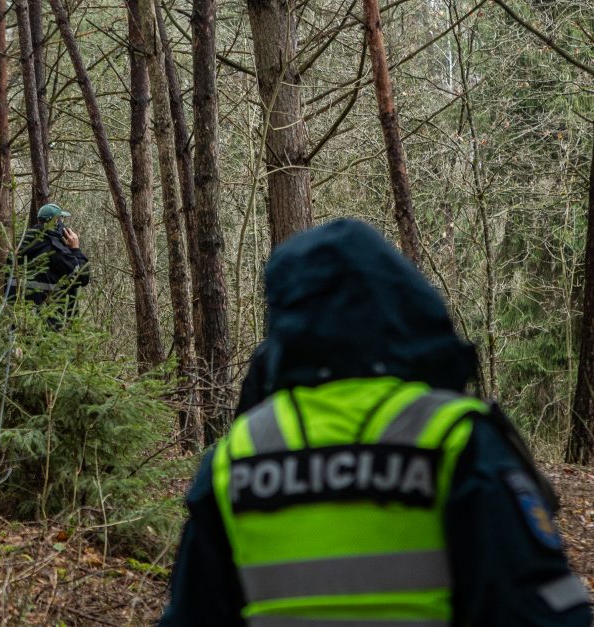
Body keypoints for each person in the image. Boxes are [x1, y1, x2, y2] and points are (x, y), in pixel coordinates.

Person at [160, 219, 591, 627]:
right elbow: (538, 610)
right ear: (407, 305)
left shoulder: (237, 455)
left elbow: (192, 614)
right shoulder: (453, 436)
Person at [5, 203, 90, 328]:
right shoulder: (54, 249)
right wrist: (75, 249)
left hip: (18, 322)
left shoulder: (19, 245)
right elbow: (83, 277)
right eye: (60, 220)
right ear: (55, 222)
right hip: (47, 326)